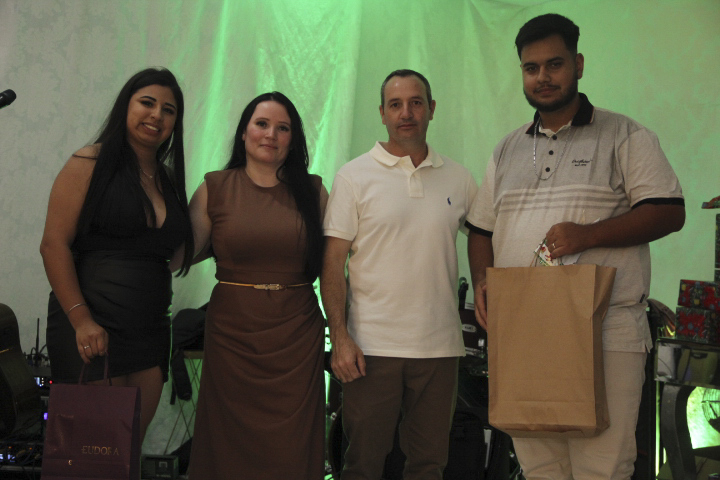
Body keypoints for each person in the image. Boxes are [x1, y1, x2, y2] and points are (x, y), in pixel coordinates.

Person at [466, 13, 685, 480]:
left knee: (602, 467)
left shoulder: (625, 135)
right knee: (539, 465)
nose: (542, 77)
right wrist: (483, 281)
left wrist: (587, 235)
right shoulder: (506, 150)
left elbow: (669, 212)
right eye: (531, 68)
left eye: (555, 64)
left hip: (605, 329)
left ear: (578, 64)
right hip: (523, 327)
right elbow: (481, 230)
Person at [321, 69, 478, 480]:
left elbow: (486, 238)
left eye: (415, 102)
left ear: (432, 109)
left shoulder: (459, 178)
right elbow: (331, 263)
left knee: (429, 466)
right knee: (362, 465)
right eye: (395, 104)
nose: (406, 113)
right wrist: (340, 338)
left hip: (440, 348)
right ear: (382, 113)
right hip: (371, 349)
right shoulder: (353, 176)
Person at [40, 67, 194, 442]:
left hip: (150, 331)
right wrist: (81, 320)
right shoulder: (89, 162)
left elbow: (173, 253)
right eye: (147, 103)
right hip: (91, 325)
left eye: (169, 110)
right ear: (126, 106)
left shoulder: (168, 179)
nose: (156, 115)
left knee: (126, 454)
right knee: (94, 451)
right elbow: (53, 244)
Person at [186, 92, 328, 479]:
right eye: (262, 124)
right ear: (244, 131)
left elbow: (335, 265)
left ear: (294, 140)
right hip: (232, 336)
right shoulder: (214, 187)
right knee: (228, 445)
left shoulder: (314, 192)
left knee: (291, 449)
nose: (270, 134)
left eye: (283, 128)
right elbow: (179, 254)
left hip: (296, 339)